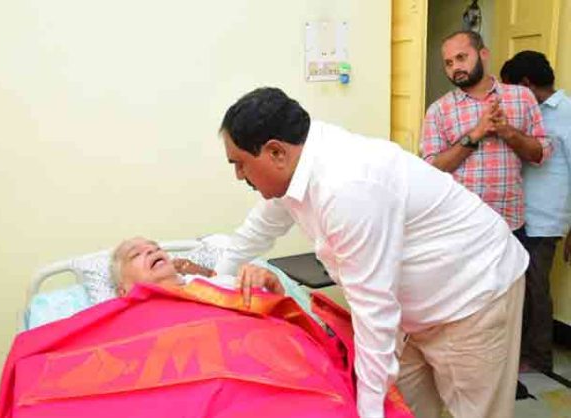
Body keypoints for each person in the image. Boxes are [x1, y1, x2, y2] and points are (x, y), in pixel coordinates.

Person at [214, 86, 527, 418]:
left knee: (473, 411)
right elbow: (258, 229)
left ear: (275, 152)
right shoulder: (295, 168)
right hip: (412, 310)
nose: (238, 175)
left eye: (240, 164)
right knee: (405, 405)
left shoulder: (347, 186)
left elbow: (373, 309)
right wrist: (216, 280)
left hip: (474, 293)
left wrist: (368, 411)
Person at [420, 30, 551, 231]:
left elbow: (541, 154)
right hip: (460, 225)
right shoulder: (439, 110)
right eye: (449, 63)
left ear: (484, 54)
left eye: (461, 58)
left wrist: (508, 132)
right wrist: (475, 134)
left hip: (510, 224)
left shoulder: (522, 97)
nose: (455, 67)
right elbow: (432, 169)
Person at [500, 50, 571, 373]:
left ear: (525, 84)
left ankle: (540, 358)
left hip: (545, 220)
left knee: (536, 288)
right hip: (517, 213)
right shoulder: (528, 110)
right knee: (517, 287)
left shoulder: (567, 114)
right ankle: (518, 350)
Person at [110, 236, 284, 306]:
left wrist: (272, 287)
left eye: (155, 248)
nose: (152, 251)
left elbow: (274, 320)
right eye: (135, 254)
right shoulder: (118, 320)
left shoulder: (222, 285)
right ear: (122, 291)